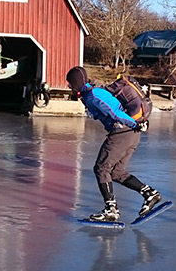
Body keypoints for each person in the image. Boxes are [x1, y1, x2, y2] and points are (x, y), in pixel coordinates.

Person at [66, 66, 162, 221]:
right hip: (130, 133)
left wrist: (134, 124)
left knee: (101, 168)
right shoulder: (90, 94)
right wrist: (135, 126)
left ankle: (111, 210)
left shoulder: (93, 95)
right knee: (117, 172)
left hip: (124, 131)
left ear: (77, 83)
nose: (69, 86)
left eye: (70, 83)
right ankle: (149, 194)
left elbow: (115, 112)